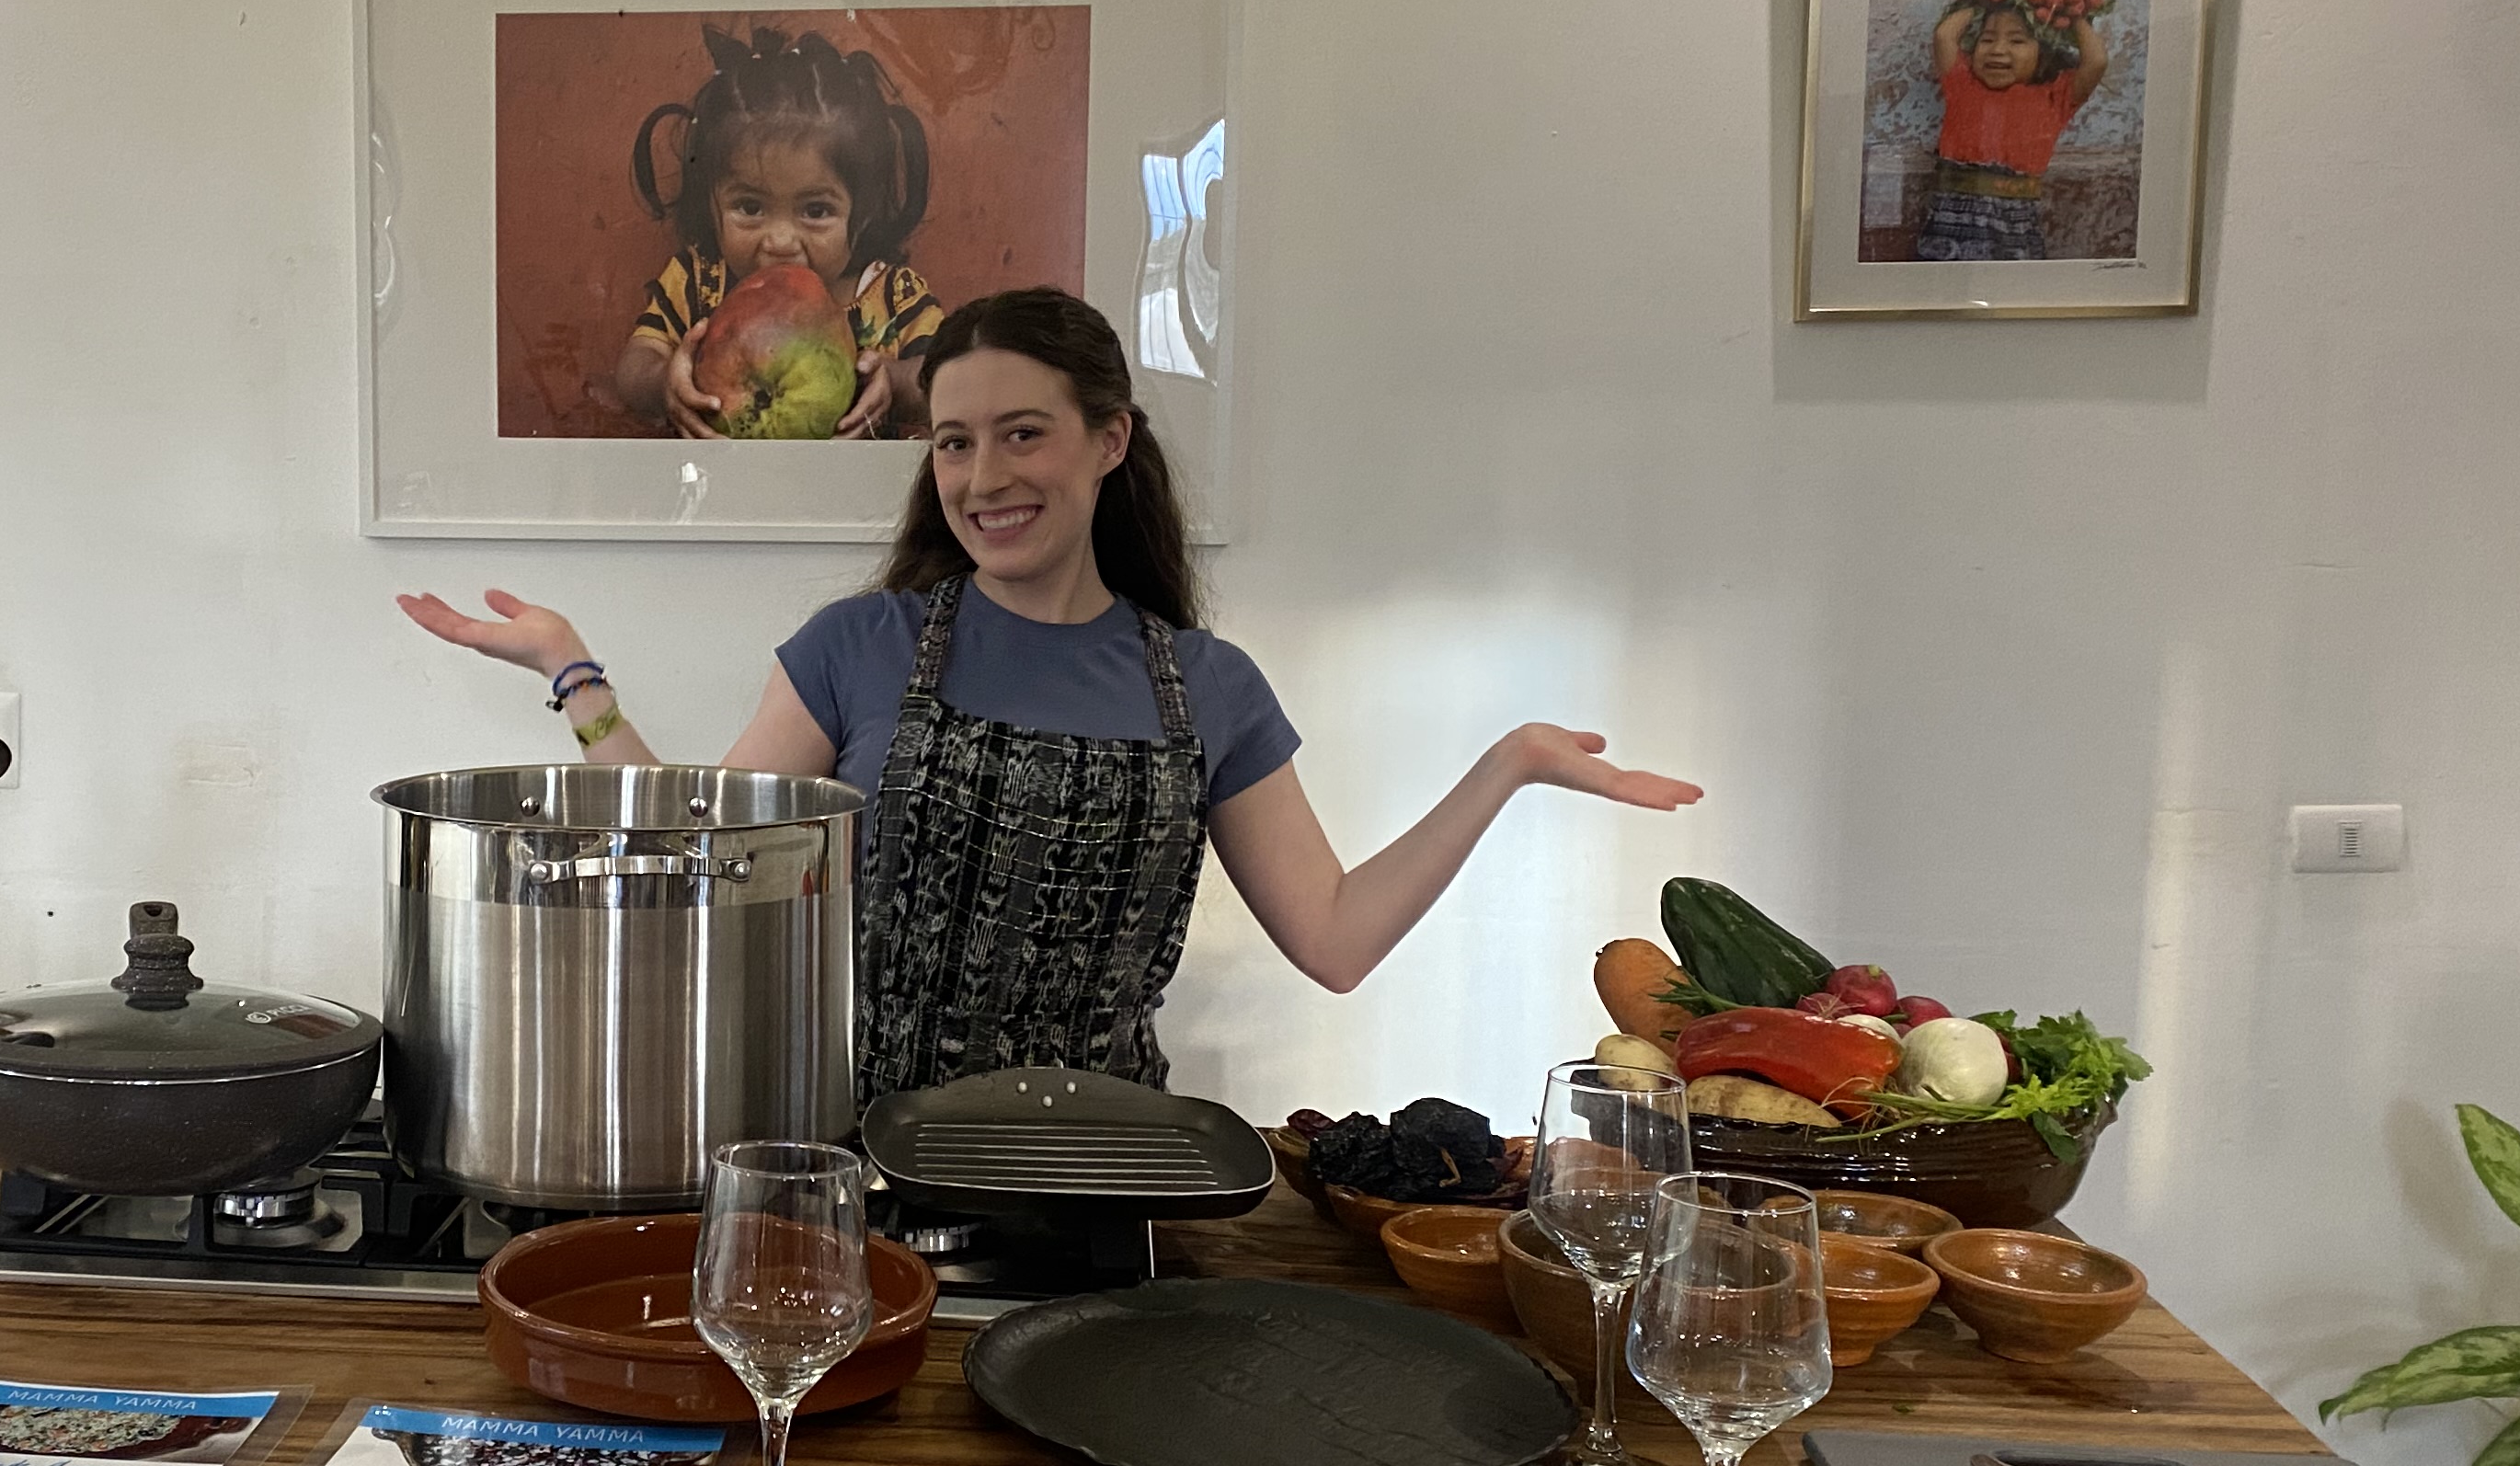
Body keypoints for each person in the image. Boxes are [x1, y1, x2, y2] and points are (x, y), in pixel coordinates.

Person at [402, 287, 1701, 1099]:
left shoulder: (1210, 688)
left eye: (1022, 432)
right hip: (853, 1164)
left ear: (1109, 440)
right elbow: (694, 858)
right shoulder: (856, 645)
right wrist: (572, 675)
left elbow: (1339, 941)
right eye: (956, 442)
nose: (982, 476)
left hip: (1096, 1175)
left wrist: (1510, 765)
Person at [613, 25, 946, 441]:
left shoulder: (892, 294)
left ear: (861, 216)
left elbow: (948, 379)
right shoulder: (698, 282)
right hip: (719, 499)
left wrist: (894, 382)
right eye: (750, 207)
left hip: (859, 503)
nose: (780, 242)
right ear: (710, 202)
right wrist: (665, 383)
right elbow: (633, 367)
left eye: (816, 210)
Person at [1919, 0, 2116, 263]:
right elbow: (1944, 36)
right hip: (1951, 219)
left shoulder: (2055, 96)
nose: (1998, 49)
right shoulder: (1962, 84)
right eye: (1987, 39)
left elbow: (2096, 61)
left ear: (2043, 54)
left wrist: (2070, 12)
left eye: (2017, 40)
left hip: (2017, 221)